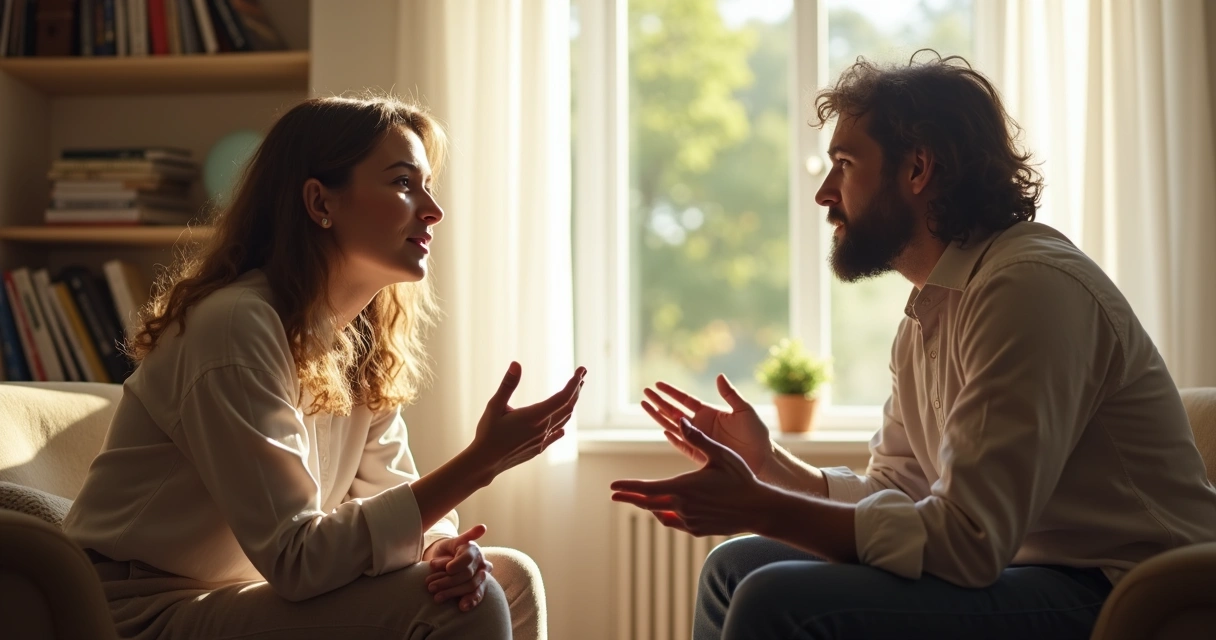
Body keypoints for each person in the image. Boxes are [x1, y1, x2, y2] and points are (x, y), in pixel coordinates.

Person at [610, 52, 1216, 639]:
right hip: (1029, 568)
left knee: (778, 601)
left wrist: (760, 507)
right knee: (732, 569)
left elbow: (967, 541)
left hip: (1128, 589)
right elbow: (897, 494)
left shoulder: (1029, 289)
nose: (825, 194)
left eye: (845, 163)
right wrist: (768, 468)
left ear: (918, 168)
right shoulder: (933, 310)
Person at [63, 95, 585, 640]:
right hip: (136, 610)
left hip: (240, 591)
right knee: (464, 609)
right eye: (404, 183)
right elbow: (296, 557)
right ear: (319, 202)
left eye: (427, 185)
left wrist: (443, 550)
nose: (433, 209)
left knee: (508, 579)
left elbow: (392, 494)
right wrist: (480, 462)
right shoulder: (235, 325)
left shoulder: (357, 344)